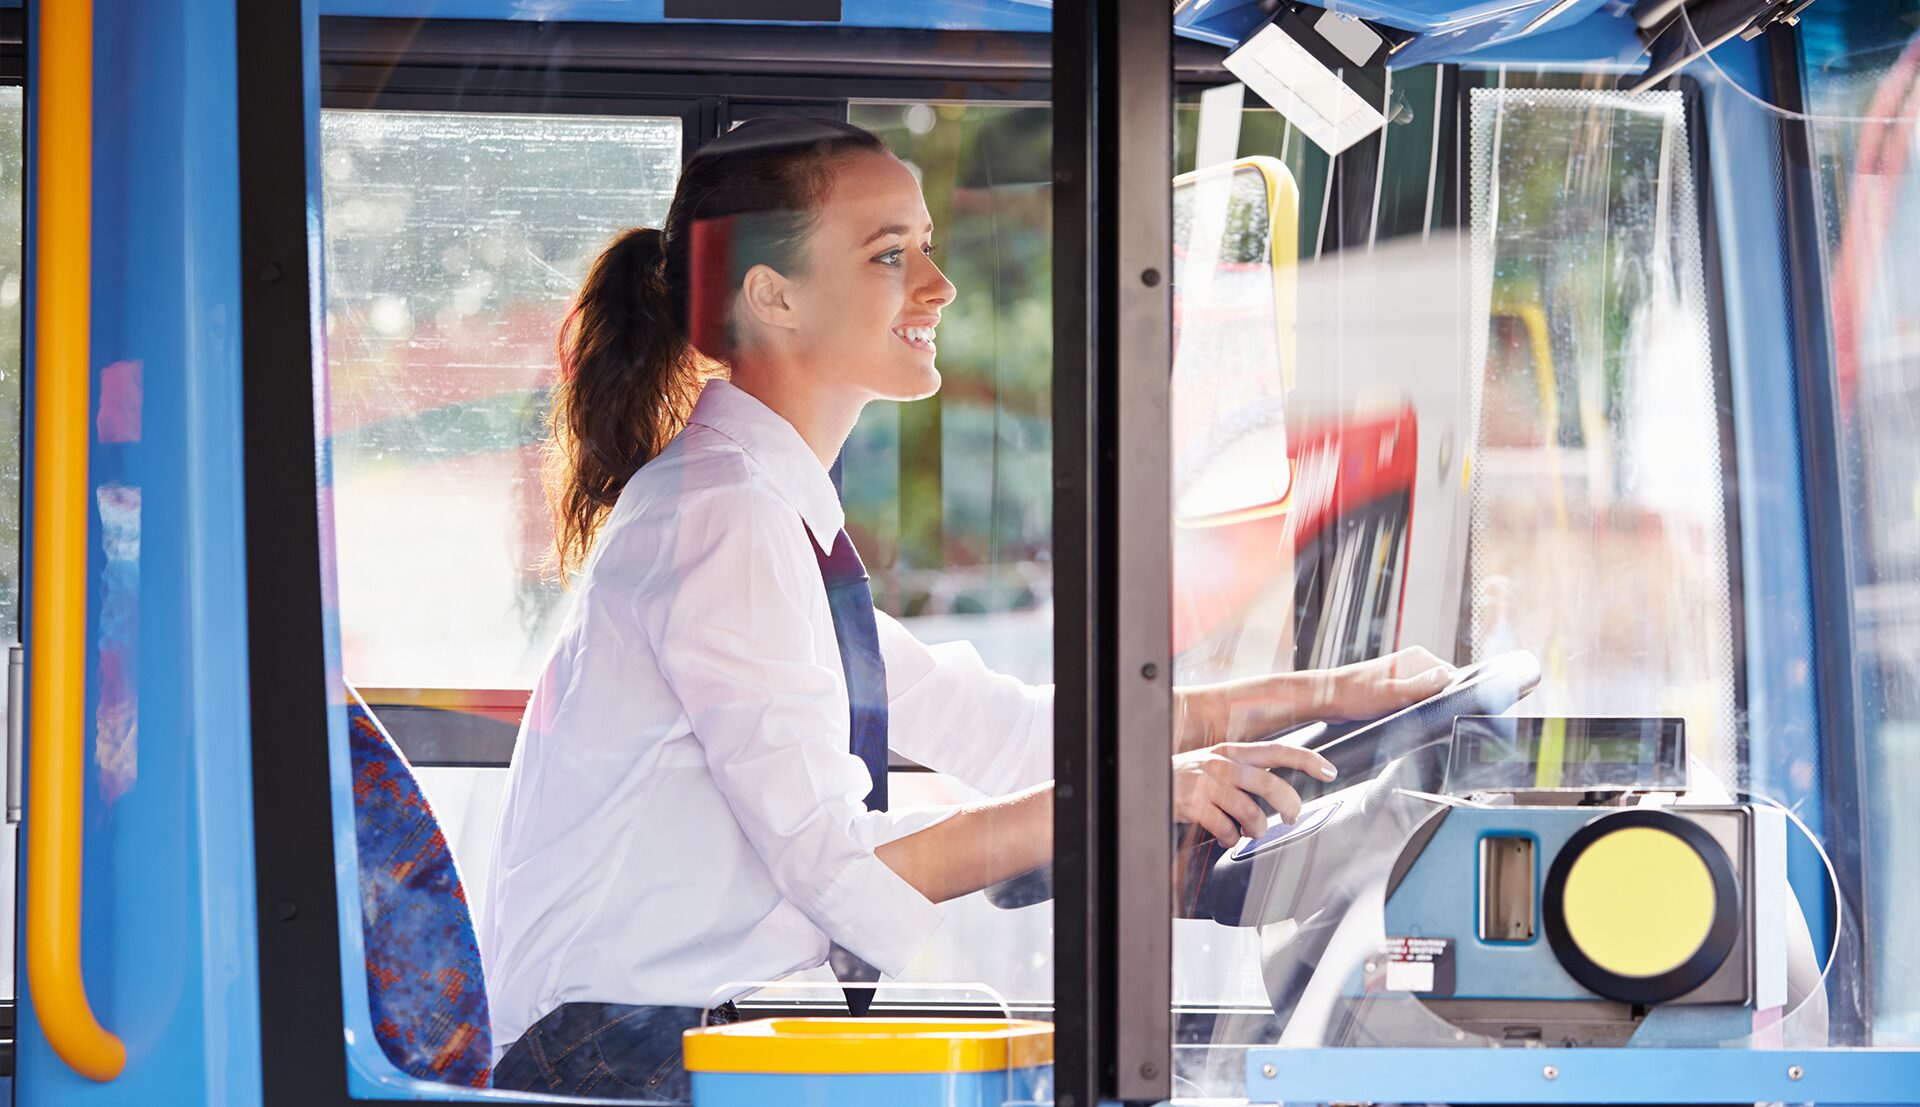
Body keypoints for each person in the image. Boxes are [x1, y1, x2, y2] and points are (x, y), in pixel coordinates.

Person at [480, 118, 1453, 1101]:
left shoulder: (760, 508)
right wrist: (1135, 797)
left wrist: (1332, 692)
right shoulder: (721, 519)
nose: (938, 287)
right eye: (891, 254)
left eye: (928, 248)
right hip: (614, 1057)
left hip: (673, 1031)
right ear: (771, 295)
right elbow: (830, 858)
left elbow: (1011, 731)